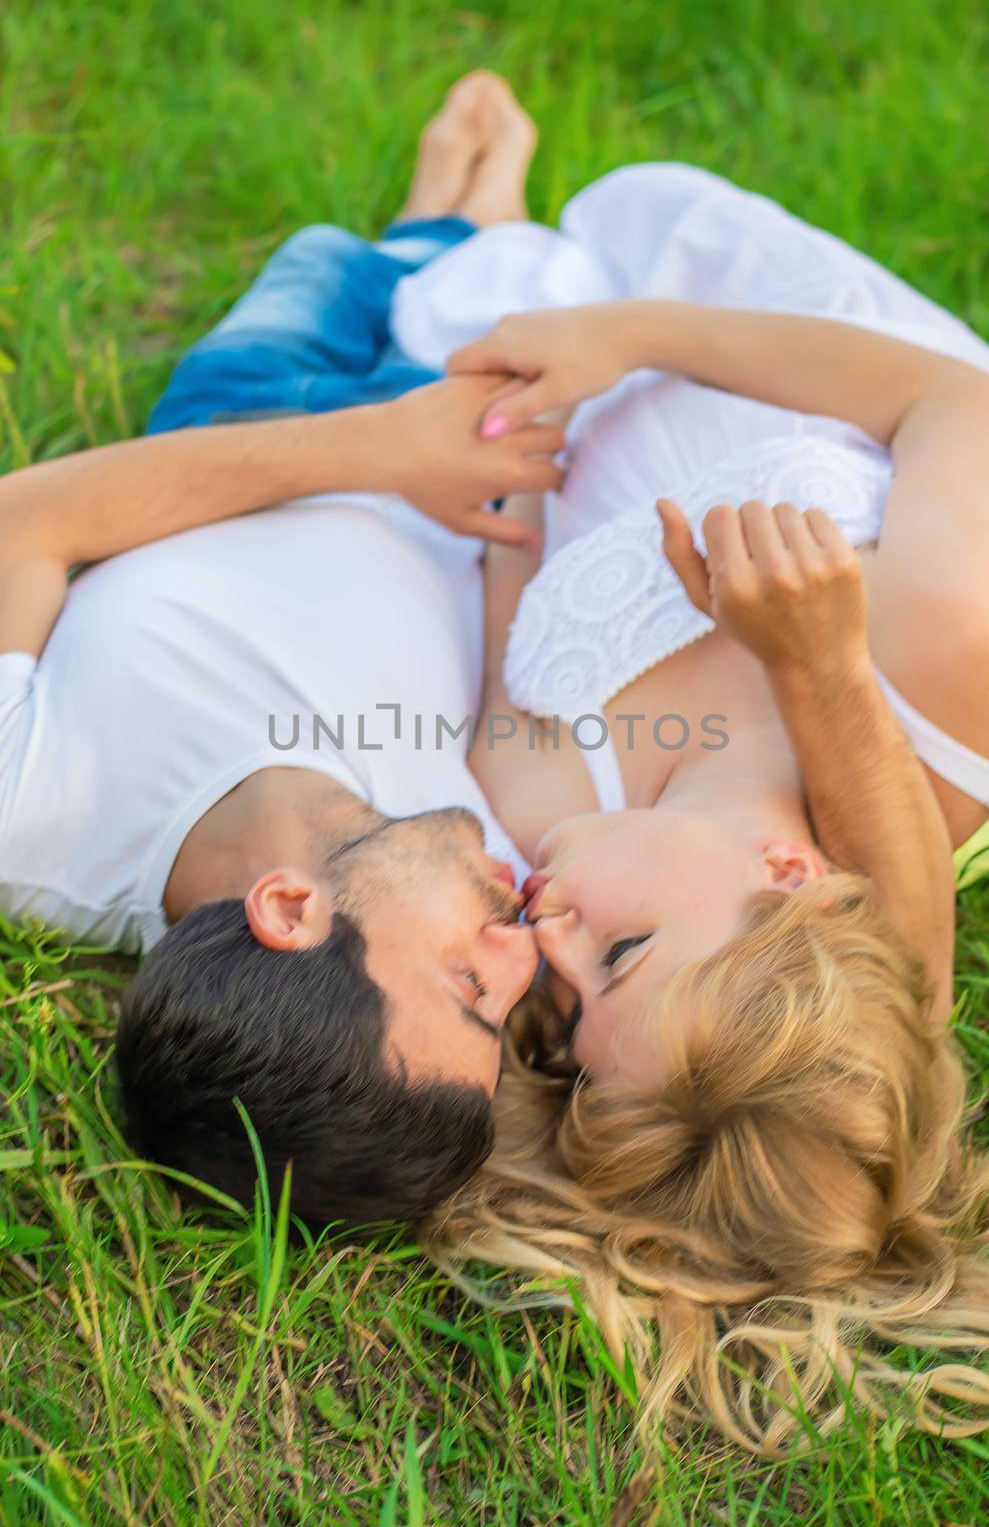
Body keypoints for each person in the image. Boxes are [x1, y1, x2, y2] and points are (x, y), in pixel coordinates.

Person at [381, 162, 989, 1449]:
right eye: (624, 951)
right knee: (633, 201)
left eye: (567, 1003)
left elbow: (506, 537)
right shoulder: (943, 663)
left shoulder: (531, 796)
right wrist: (630, 334)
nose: (542, 935)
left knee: (451, 302)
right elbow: (941, 398)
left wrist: (507, 408)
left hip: (582, 428)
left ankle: (473, 210)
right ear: (788, 870)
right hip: (776, 351)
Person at [0, 75, 566, 1226]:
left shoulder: (31, 816)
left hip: (247, 424)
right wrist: (518, 482)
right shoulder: (470, 848)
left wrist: (377, 441)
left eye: (466, 986)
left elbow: (29, 524)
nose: (517, 959)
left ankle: (425, 218)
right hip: (454, 492)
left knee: (320, 265)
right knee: (499, 288)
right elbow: (518, 680)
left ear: (291, 907)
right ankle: (473, 209)